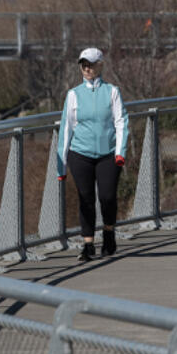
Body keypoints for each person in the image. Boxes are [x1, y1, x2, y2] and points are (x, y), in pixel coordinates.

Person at [56, 47, 129, 261]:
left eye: (91, 64)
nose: (86, 68)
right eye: (83, 64)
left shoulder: (112, 92)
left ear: (100, 65)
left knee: (107, 197)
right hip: (80, 154)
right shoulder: (73, 95)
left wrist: (120, 151)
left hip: (108, 154)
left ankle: (108, 232)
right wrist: (60, 165)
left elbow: (121, 121)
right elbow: (66, 129)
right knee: (85, 198)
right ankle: (88, 244)